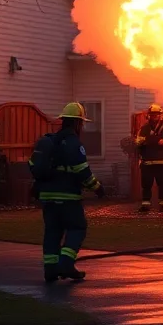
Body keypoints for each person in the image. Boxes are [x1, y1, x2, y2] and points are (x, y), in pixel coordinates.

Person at [30, 102, 105, 282]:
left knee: (52, 232)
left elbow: (33, 165)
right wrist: (97, 188)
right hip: (68, 197)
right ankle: (66, 263)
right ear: (78, 123)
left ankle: (50, 269)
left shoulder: (49, 141)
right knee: (77, 227)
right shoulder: (73, 143)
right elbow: (82, 170)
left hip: (47, 197)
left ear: (63, 120)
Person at [135, 103, 163, 213]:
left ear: (161, 116)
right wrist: (156, 140)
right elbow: (138, 141)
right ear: (148, 116)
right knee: (146, 184)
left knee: (162, 184)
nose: (154, 117)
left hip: (161, 162)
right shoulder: (144, 129)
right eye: (152, 115)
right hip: (147, 162)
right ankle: (146, 205)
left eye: (156, 115)